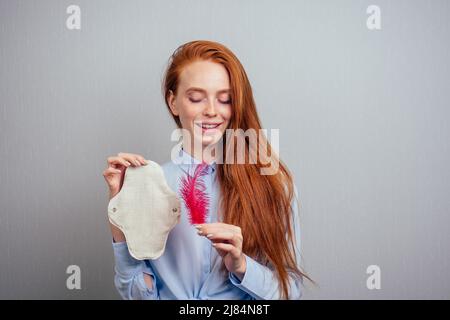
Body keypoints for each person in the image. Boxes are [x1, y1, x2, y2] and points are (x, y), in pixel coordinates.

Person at [102, 40, 309, 300]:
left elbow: (289, 290)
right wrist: (120, 211)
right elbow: (136, 293)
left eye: (225, 99)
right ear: (173, 102)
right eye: (196, 98)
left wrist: (241, 266)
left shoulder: (273, 185)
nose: (212, 111)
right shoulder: (151, 185)